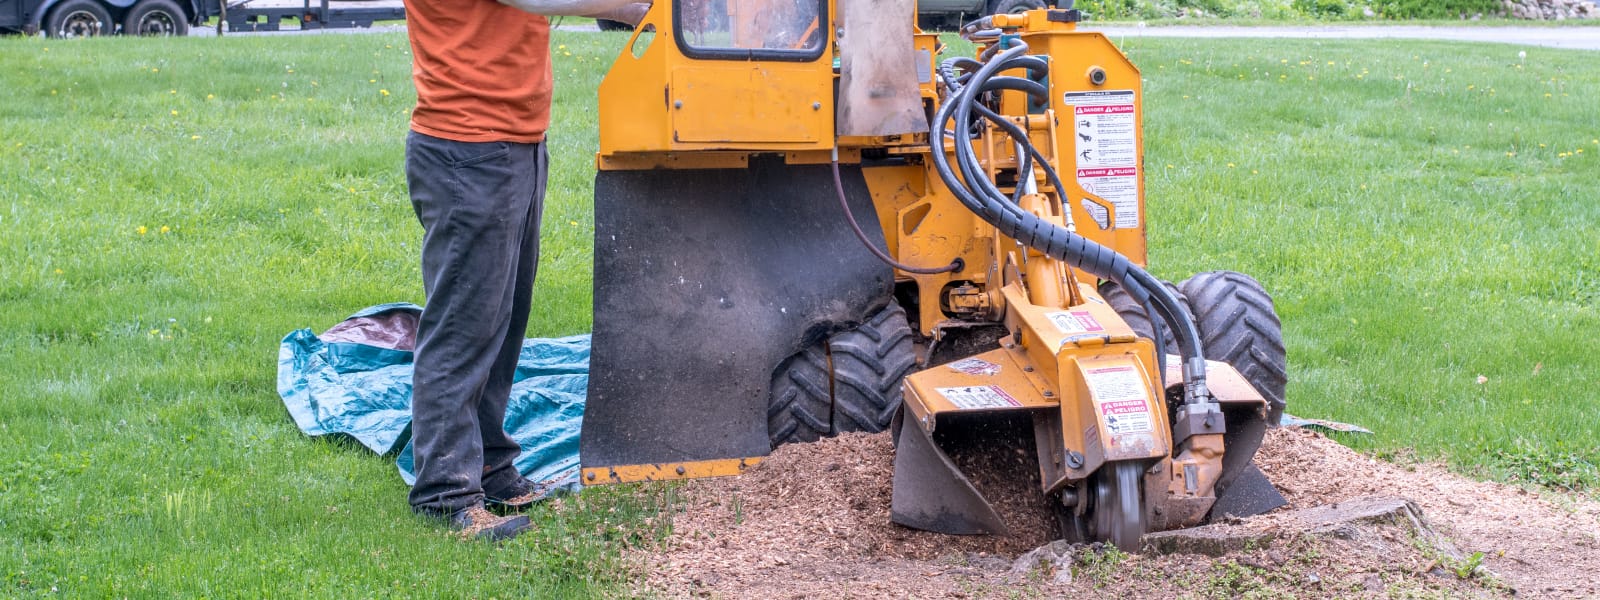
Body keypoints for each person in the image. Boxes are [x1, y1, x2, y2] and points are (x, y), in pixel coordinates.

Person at [402, 0, 647, 541]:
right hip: (467, 149)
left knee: (503, 318)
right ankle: (445, 495)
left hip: (512, 144)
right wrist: (639, 8)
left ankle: (488, 464)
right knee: (464, 327)